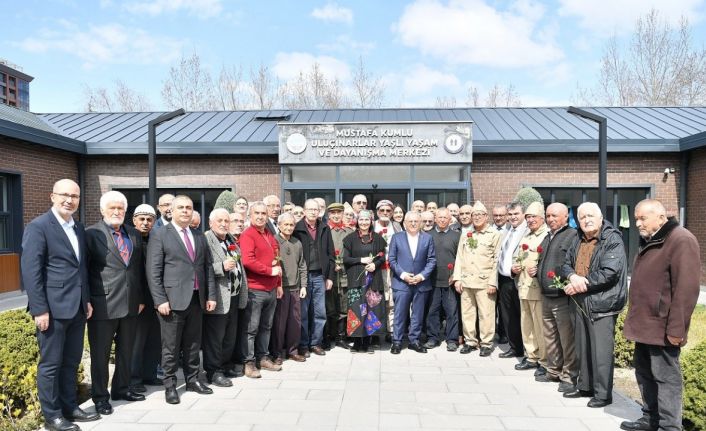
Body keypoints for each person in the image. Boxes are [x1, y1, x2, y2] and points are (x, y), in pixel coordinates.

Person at [21, 179, 98, 431]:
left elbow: (81, 269)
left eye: (74, 196)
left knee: (71, 361)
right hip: (52, 310)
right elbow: (31, 272)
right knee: (51, 364)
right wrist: (39, 309)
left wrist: (85, 300)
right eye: (64, 195)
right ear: (52, 196)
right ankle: (52, 416)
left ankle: (70, 407)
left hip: (76, 308)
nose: (69, 200)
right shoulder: (39, 227)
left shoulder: (78, 228)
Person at [620, 200, 701, 431]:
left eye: (642, 218)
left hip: (663, 327)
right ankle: (650, 418)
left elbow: (686, 290)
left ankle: (669, 426)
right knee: (644, 373)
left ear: (661, 217)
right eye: (636, 218)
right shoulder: (652, 239)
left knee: (666, 380)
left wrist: (677, 330)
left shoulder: (681, 240)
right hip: (645, 324)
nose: (637, 223)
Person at [146, 195, 217, 404]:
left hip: (196, 299)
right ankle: (169, 385)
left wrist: (210, 295)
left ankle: (193, 379)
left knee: (193, 344)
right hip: (172, 300)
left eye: (189, 207)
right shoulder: (160, 235)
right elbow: (153, 271)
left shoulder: (198, 236)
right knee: (171, 347)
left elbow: (207, 268)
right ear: (172, 211)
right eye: (181, 208)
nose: (185, 211)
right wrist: (160, 300)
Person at [86, 191, 146, 417]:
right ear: (102, 210)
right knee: (100, 355)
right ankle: (100, 397)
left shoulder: (133, 234)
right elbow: (85, 270)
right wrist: (87, 301)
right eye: (112, 208)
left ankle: (121, 389)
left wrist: (140, 298)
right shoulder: (91, 233)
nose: (116, 212)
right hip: (103, 304)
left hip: (131, 303)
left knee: (126, 350)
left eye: (120, 208)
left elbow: (137, 268)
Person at [561, 202, 627, 408]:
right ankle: (585, 386)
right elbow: (565, 264)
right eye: (582, 217)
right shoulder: (578, 239)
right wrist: (571, 276)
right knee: (582, 346)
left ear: (600, 218)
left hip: (602, 302)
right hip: (581, 301)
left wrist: (581, 283)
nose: (587, 220)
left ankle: (603, 394)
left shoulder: (612, 239)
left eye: (591, 216)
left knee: (601, 351)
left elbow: (610, 272)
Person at [203, 208, 248, 387]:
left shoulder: (230, 240)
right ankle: (213, 372)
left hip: (234, 296)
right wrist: (220, 266)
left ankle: (225, 365)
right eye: (219, 221)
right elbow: (202, 267)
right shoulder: (206, 240)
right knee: (215, 338)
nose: (223, 224)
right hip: (218, 297)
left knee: (229, 336)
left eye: (226, 221)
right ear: (210, 223)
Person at [536, 203, 578, 391]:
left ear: (565, 216)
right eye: (548, 215)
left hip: (561, 296)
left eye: (555, 216)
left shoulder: (571, 236)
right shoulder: (547, 237)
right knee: (550, 336)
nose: (550, 219)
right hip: (546, 294)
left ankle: (569, 376)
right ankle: (553, 370)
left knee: (566, 338)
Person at [240, 202, 283, 378]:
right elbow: (248, 260)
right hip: (255, 290)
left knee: (266, 326)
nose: (260, 216)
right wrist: (269, 271)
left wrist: (279, 282)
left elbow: (277, 260)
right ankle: (249, 363)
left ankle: (263, 357)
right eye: (256, 213)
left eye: (263, 213)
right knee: (251, 328)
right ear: (250, 215)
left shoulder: (269, 234)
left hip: (271, 289)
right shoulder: (247, 235)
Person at [452, 202, 501, 356]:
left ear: (486, 217)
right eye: (475, 215)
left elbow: (496, 260)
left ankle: (486, 342)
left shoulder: (494, 235)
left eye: (480, 214)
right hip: (466, 281)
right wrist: (457, 278)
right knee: (467, 313)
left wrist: (493, 281)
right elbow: (459, 257)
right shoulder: (466, 234)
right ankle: (470, 341)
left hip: (484, 282)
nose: (477, 217)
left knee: (486, 314)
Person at [388, 211, 437, 354]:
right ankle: (396, 342)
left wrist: (422, 276)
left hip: (420, 283)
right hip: (402, 283)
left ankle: (414, 341)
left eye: (416, 221)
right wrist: (403, 275)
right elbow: (392, 259)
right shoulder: (397, 238)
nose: (414, 224)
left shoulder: (427, 238)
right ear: (404, 223)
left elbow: (431, 260)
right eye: (410, 221)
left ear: (420, 223)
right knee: (399, 313)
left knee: (418, 314)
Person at [293, 199, 335, 356]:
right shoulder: (297, 229)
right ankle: (303, 344)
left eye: (315, 210)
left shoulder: (325, 228)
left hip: (320, 276)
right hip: (303, 277)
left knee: (320, 312)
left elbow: (331, 254)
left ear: (319, 212)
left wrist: (330, 277)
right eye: (309, 209)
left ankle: (315, 343)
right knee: (303, 313)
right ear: (304, 211)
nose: (312, 212)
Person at [342, 209, 387, 353]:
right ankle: (356, 342)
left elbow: (382, 257)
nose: (364, 222)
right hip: (356, 280)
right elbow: (345, 259)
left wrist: (375, 264)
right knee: (356, 311)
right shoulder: (350, 239)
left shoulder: (378, 238)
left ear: (371, 221)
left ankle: (367, 342)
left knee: (371, 311)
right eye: (361, 219)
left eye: (367, 220)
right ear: (357, 221)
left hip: (373, 281)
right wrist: (361, 260)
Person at [513, 202, 549, 375]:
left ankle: (544, 359)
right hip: (524, 286)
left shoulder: (546, 235)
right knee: (526, 325)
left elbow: (549, 261)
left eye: (533, 217)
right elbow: (517, 256)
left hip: (537, 289)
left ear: (542, 218)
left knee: (539, 327)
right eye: (528, 217)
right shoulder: (526, 236)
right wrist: (515, 267)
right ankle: (531, 357)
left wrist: (539, 269)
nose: (530, 220)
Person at [130, 204, 163, 394]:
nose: (145, 223)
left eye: (149, 219)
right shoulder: (130, 239)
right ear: (134, 220)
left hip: (156, 298)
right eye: (141, 219)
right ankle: (134, 379)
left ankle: (149, 374)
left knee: (154, 339)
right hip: (139, 299)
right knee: (137, 340)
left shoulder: (156, 239)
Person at [270, 213, 308, 363]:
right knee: (279, 323)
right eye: (285, 224)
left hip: (295, 288)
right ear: (279, 225)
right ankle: (277, 353)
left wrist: (303, 285)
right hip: (280, 288)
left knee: (295, 322)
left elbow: (302, 265)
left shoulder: (297, 243)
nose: (289, 227)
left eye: (291, 225)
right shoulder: (273, 241)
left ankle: (293, 350)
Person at [426, 207, 461, 351]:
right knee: (432, 311)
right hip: (432, 280)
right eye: (439, 217)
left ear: (450, 219)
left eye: (445, 218)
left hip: (450, 280)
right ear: (435, 219)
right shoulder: (427, 235)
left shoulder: (457, 236)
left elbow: (461, 258)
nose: (442, 220)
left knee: (451, 311)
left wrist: (456, 274)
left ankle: (452, 339)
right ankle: (433, 337)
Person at [497, 202, 527, 359]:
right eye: (511, 214)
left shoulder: (528, 231)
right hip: (504, 280)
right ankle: (514, 347)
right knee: (508, 316)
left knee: (522, 315)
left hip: (519, 280)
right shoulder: (507, 230)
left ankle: (527, 350)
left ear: (523, 214)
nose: (513, 217)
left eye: (516, 214)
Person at [326, 202, 355, 349]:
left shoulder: (349, 232)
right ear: (329, 215)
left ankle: (341, 336)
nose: (336, 216)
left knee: (343, 306)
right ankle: (328, 335)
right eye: (333, 213)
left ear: (343, 214)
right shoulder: (324, 230)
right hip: (329, 275)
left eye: (339, 213)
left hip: (344, 274)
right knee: (329, 305)